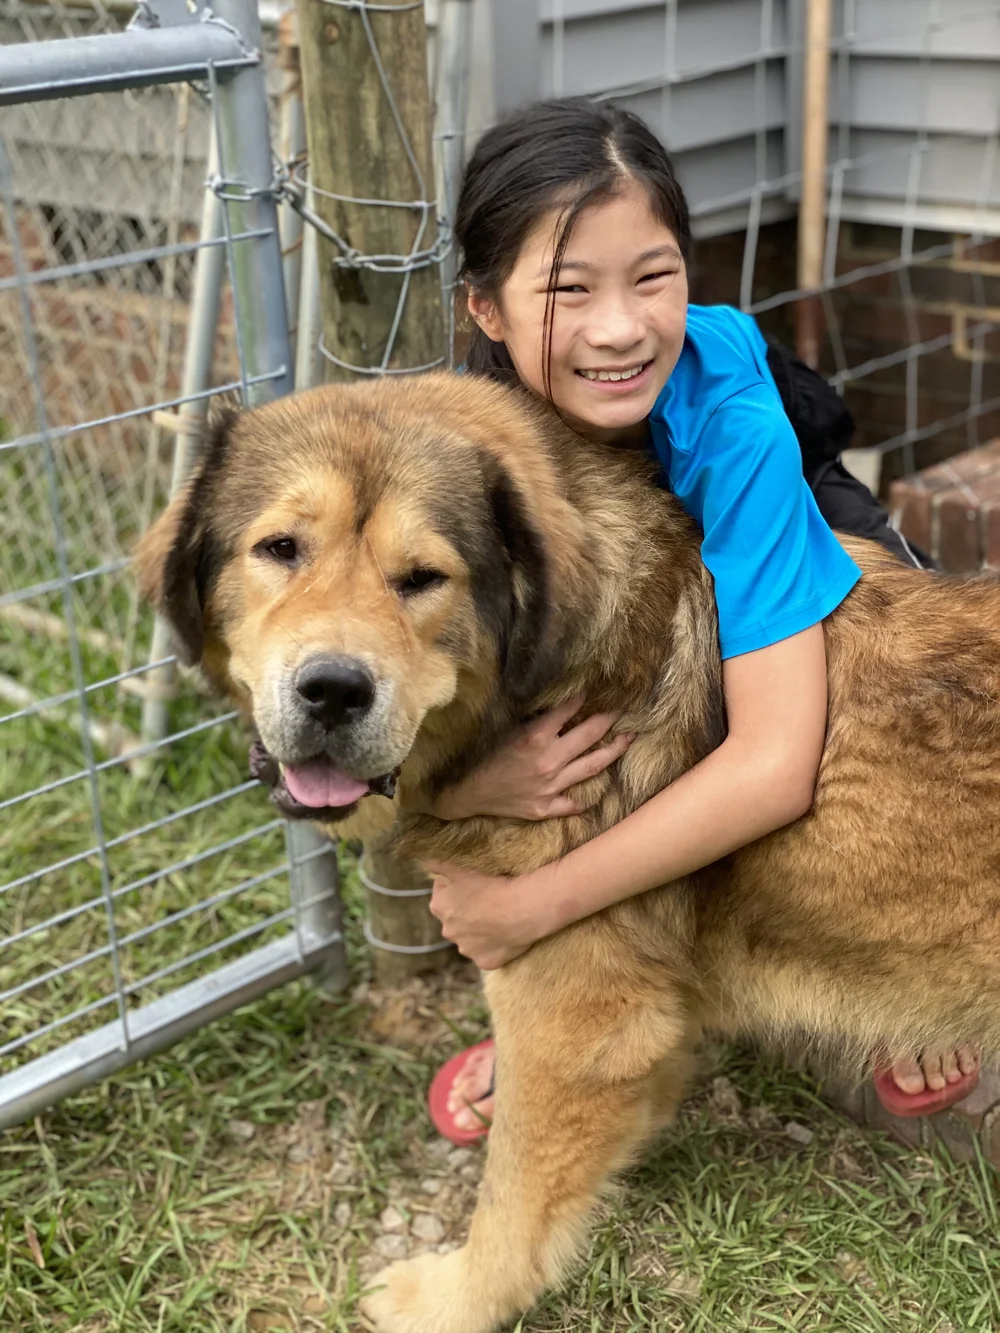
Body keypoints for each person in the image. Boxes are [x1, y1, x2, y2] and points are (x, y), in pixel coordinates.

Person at [417, 98, 978, 1143]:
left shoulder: (733, 428)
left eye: (653, 276)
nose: (621, 327)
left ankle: (891, 950)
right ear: (485, 310)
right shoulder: (459, 454)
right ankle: (555, 1010)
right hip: (618, 521)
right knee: (554, 744)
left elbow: (773, 763)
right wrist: (462, 780)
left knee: (871, 694)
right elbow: (380, 694)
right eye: (568, 289)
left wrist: (527, 909)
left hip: (779, 487)